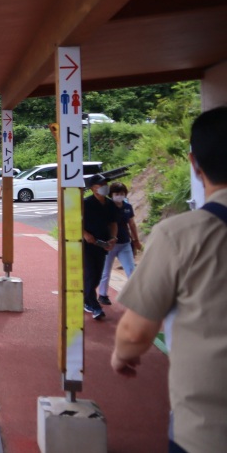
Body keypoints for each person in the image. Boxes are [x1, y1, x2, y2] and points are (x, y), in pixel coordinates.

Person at [112, 106, 227, 453]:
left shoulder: (184, 234)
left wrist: (122, 356)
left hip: (207, 429)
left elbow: (135, 332)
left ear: (194, 163)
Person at [97, 181, 141, 305]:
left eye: (122, 193)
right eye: (117, 193)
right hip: (109, 244)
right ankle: (102, 294)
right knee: (105, 271)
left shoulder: (127, 207)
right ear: (111, 194)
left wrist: (136, 240)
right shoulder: (106, 206)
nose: (119, 196)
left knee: (131, 269)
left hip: (125, 243)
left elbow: (131, 224)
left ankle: (135, 295)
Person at [82, 173, 117, 320]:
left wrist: (113, 238)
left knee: (97, 275)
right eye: (100, 185)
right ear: (92, 188)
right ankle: (94, 305)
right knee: (90, 273)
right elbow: (75, 221)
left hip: (102, 244)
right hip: (88, 244)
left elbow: (113, 223)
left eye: (105, 184)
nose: (104, 187)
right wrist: (85, 234)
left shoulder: (110, 204)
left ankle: (86, 299)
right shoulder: (86, 203)